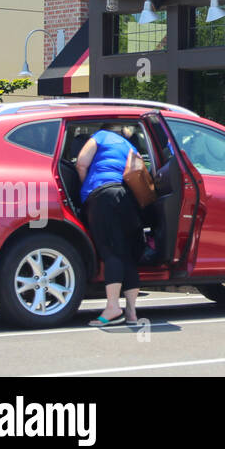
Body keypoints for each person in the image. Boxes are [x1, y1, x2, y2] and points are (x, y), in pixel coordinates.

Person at [76, 124, 146, 327]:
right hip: (126, 198)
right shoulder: (129, 146)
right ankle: (131, 312)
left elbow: (81, 163)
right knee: (126, 254)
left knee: (110, 251)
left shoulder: (99, 137)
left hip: (102, 195)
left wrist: (85, 188)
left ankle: (113, 307)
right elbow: (139, 171)